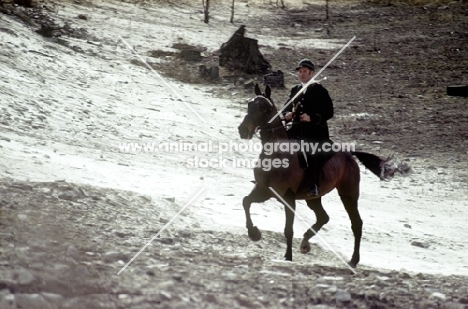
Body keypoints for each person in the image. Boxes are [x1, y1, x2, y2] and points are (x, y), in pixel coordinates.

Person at [283, 59, 334, 196]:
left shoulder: (320, 90)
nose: (302, 74)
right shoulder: (295, 90)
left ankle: (314, 185)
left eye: (304, 71)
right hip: (296, 129)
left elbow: (329, 112)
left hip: (315, 132)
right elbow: (285, 107)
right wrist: (286, 114)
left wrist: (311, 117)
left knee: (312, 153)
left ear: (311, 73)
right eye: (300, 71)